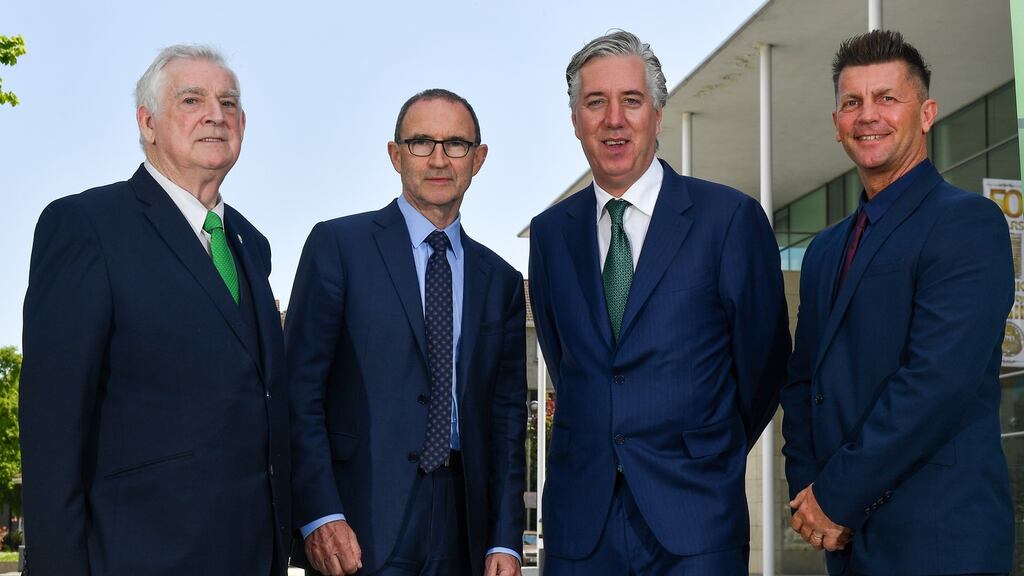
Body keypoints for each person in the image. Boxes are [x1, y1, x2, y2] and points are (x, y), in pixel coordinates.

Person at [20, 45, 290, 575]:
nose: (217, 113)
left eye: (229, 103)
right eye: (192, 99)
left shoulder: (250, 245)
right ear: (147, 122)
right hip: (139, 557)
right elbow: (53, 432)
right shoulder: (86, 226)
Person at [528, 30, 790, 575]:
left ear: (659, 112)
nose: (614, 119)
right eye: (595, 102)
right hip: (582, 526)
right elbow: (566, 359)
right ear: (575, 119)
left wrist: (707, 449)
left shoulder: (729, 220)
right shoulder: (552, 234)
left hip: (696, 523)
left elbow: (763, 366)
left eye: (631, 100)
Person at [781, 29, 1014, 575]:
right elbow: (802, 381)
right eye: (852, 102)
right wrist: (807, 493)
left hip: (938, 540)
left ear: (927, 113)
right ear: (836, 124)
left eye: (887, 98)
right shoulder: (824, 249)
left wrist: (835, 497)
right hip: (845, 543)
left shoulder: (967, 223)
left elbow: (935, 383)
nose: (868, 115)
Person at [288, 88, 526, 576]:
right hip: (361, 516)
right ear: (395, 155)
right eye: (421, 142)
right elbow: (299, 393)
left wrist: (505, 537)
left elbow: (507, 422)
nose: (438, 158)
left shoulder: (499, 280)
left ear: (478, 159)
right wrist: (319, 513)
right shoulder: (339, 246)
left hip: (464, 522)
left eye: (455, 144)